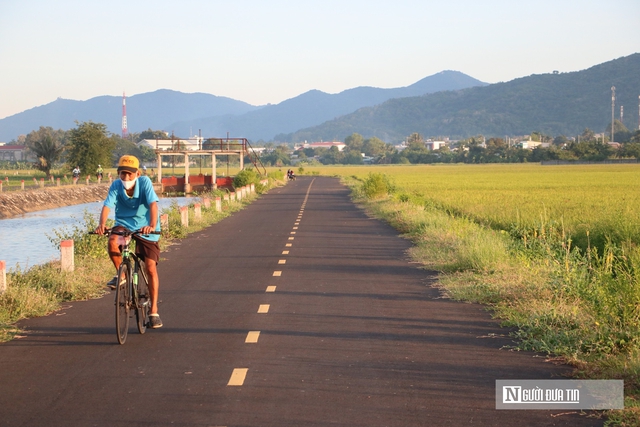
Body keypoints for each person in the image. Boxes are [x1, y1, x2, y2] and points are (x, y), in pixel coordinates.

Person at [95, 155, 163, 328]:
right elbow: (107, 206)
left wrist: (151, 225)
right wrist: (102, 224)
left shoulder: (145, 183)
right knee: (112, 242)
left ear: (137, 174)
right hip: (123, 224)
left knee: (150, 267)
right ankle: (122, 273)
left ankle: (153, 311)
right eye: (122, 174)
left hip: (146, 226)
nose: (126, 178)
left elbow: (153, 205)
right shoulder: (116, 185)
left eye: (129, 175)